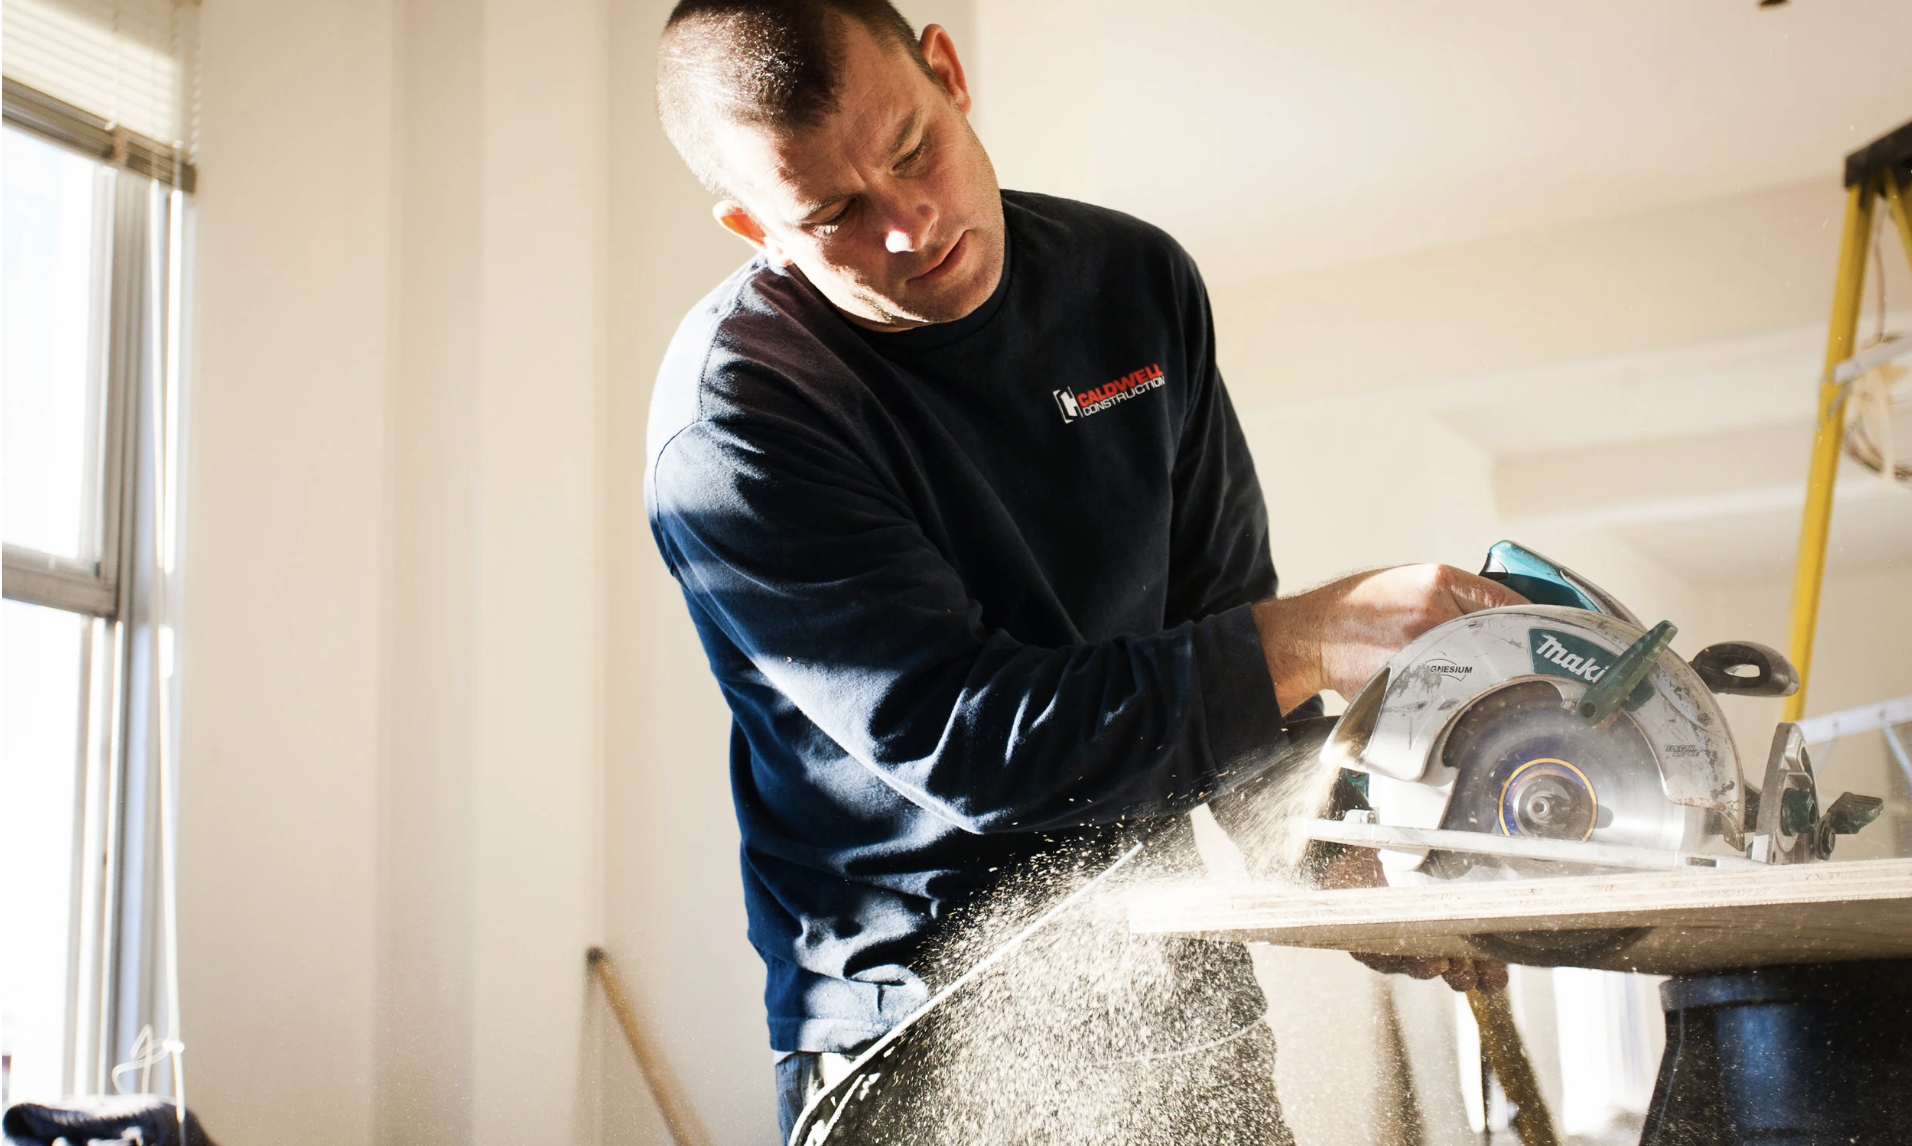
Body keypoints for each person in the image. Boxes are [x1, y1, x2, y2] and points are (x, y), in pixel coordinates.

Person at [645, 2, 1518, 1140]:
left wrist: (1335, 861)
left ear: (948, 74)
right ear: (750, 223)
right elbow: (975, 742)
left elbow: (1223, 622)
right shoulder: (741, 420)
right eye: (834, 214)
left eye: (914, 152)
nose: (910, 227)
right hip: (918, 1022)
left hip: (1174, 975)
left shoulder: (1133, 282)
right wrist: (1316, 633)